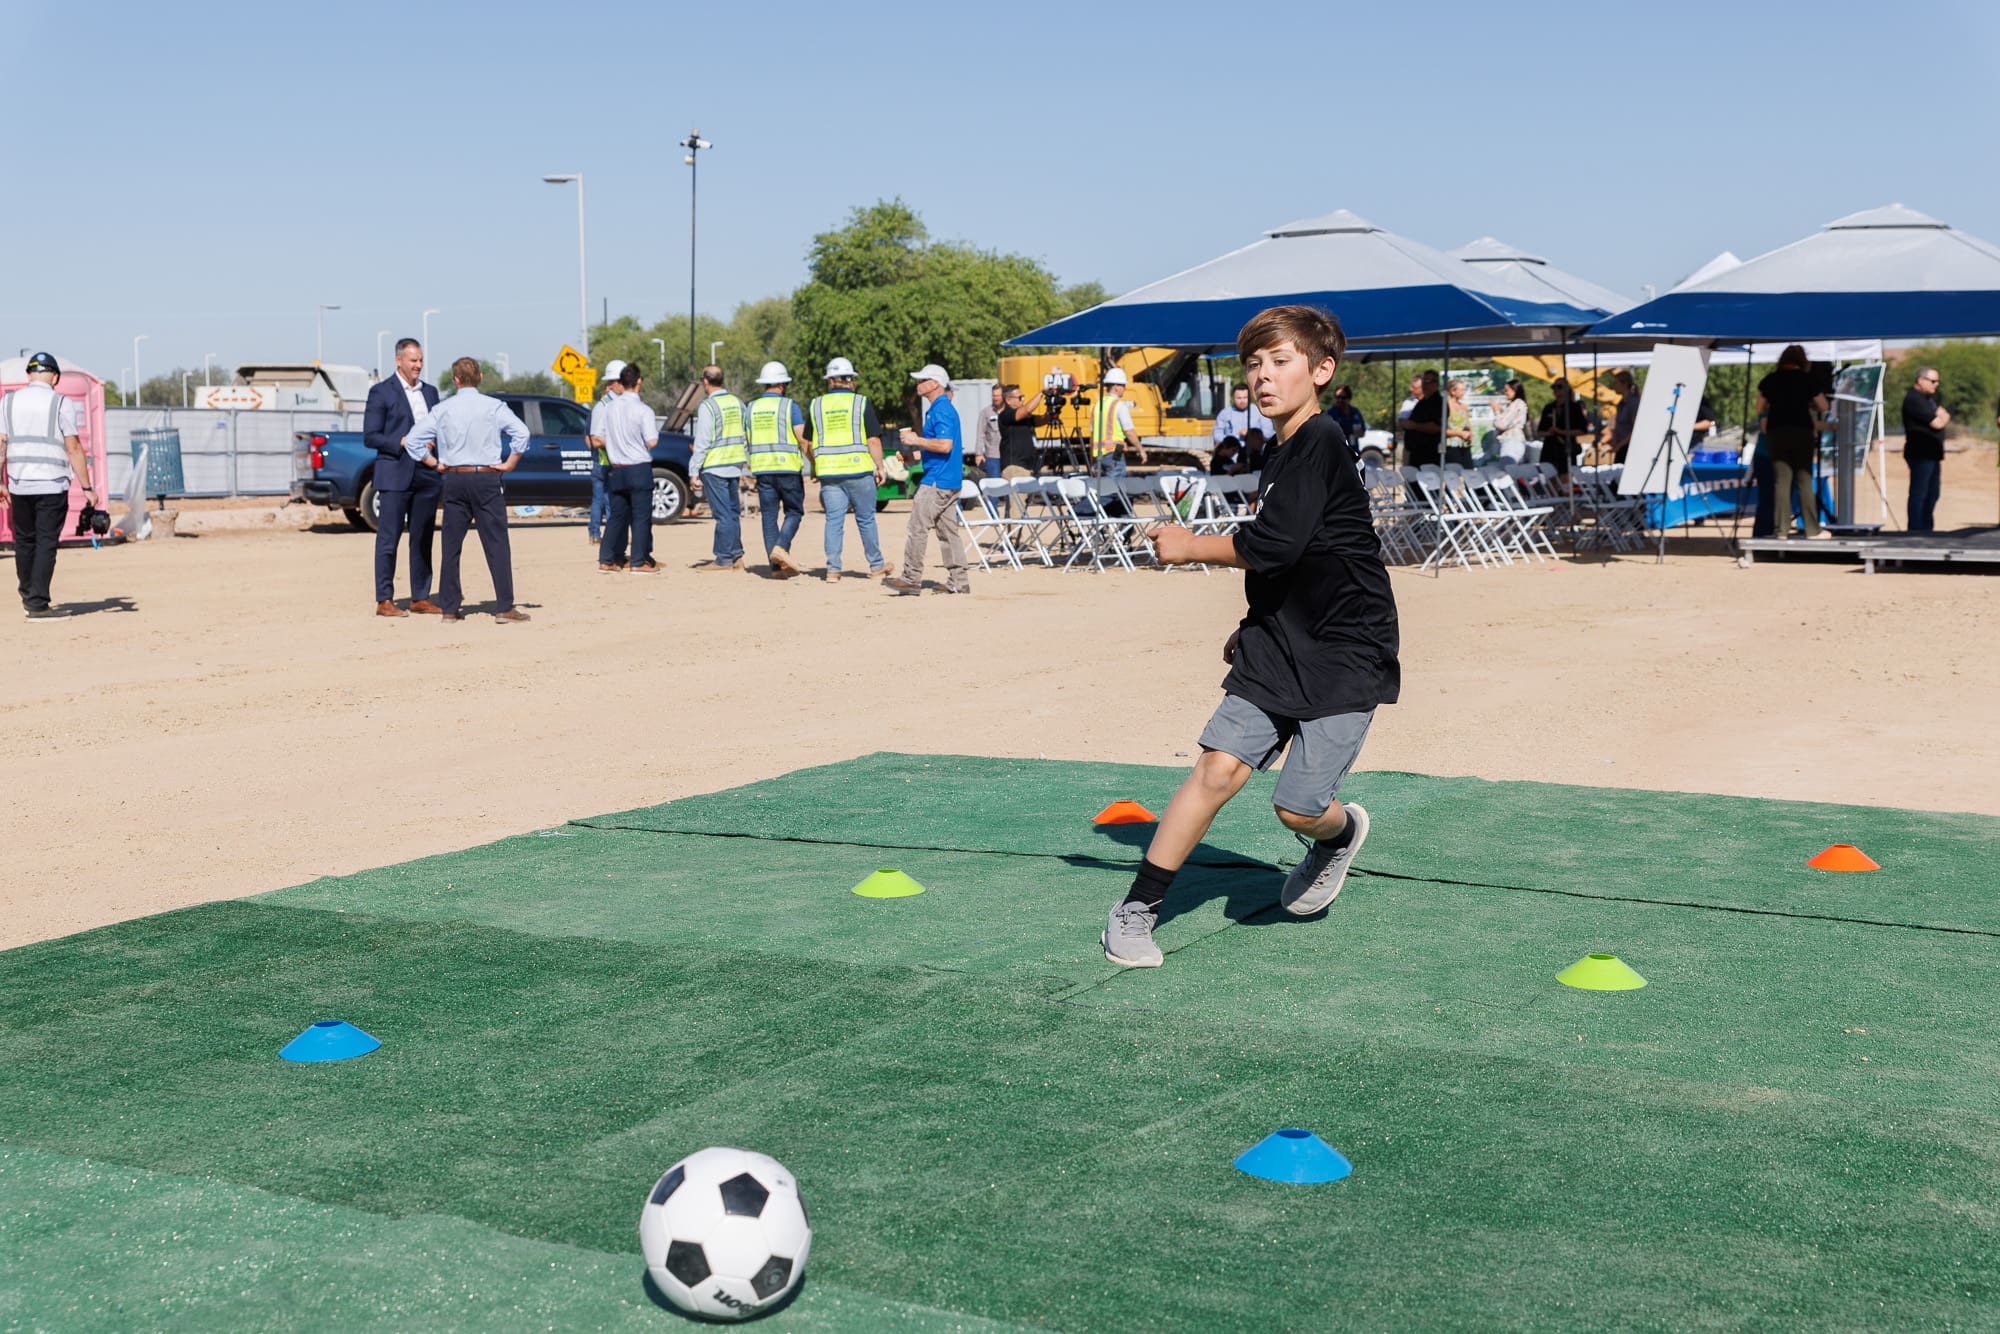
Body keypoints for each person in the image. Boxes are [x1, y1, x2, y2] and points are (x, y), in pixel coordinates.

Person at [1104, 304, 1398, 968]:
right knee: (1216, 770)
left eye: (1280, 361)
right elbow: (1299, 557)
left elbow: (1275, 543)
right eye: (1254, 364)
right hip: (1277, 640)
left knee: (1298, 807)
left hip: (1346, 649)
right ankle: (1136, 910)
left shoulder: (1320, 440)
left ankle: (1338, 834)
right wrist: (1251, 623)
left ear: (1322, 370)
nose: (1263, 377)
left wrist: (1186, 547)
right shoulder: (1282, 449)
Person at [402, 357, 531, 622]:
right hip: (487, 477)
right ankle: (504, 606)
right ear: (480, 377)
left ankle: (450, 609)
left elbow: (414, 439)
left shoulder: (443, 409)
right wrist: (509, 463)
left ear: (456, 380)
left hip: (455, 479)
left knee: (451, 545)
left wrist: (432, 462)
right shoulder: (494, 406)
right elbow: (522, 433)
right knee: (496, 543)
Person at [0, 352, 96, 620]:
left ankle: (28, 591)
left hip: (19, 483)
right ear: (55, 377)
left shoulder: (8, 402)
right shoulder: (60, 402)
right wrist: (87, 487)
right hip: (51, 483)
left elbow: (1, 443)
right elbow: (73, 446)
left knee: (24, 541)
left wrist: (0, 481)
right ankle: (38, 604)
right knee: (45, 542)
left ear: (29, 375)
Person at [361, 338, 443, 617]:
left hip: (427, 474)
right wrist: (403, 441)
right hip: (395, 473)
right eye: (413, 360)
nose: (418, 365)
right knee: (389, 538)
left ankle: (420, 597)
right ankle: (385, 599)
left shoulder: (431, 393)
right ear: (398, 361)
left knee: (422, 538)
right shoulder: (381, 392)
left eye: (420, 360)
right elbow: (371, 436)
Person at [886, 364, 970, 596]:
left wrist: (915, 440)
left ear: (935, 384)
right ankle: (959, 580)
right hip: (949, 480)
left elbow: (945, 446)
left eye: (922, 380)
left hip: (936, 481)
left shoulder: (940, 409)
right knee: (947, 532)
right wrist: (911, 456)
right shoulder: (941, 408)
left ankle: (911, 578)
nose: (918, 384)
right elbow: (937, 448)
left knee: (917, 528)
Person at [807, 356, 888, 579]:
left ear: (830, 380)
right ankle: (876, 566)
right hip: (858, 471)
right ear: (851, 379)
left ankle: (833, 569)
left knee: (834, 520)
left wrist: (815, 465)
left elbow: (808, 443)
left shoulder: (816, 404)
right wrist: (880, 466)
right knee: (866, 519)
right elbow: (873, 440)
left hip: (829, 474)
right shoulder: (860, 403)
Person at [1756, 345, 1829, 538]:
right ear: (1802, 360)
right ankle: (1812, 529)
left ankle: (1781, 530)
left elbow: (1759, 407)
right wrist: (1808, 403)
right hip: (1801, 431)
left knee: (1781, 482)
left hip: (1776, 432)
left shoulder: (1770, 380)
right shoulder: (1808, 380)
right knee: (1804, 480)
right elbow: (1824, 405)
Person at [746, 361, 810, 578]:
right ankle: (781, 548)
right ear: (782, 385)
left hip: (763, 470)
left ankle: (776, 569)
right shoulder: (789, 406)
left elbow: (748, 438)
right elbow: (802, 439)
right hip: (788, 469)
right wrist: (814, 461)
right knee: (794, 511)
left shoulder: (751, 408)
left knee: (769, 517)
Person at [597, 362, 661, 573]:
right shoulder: (643, 410)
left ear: (621, 383)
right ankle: (638, 561)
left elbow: (599, 436)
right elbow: (652, 441)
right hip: (638, 467)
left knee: (616, 516)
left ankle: (606, 559)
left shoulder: (609, 408)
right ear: (639, 381)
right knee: (641, 517)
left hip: (616, 468)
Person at [688, 364, 748, 572]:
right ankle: (736, 554)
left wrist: (694, 471)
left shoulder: (708, 406)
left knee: (723, 515)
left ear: (705, 381)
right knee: (732, 513)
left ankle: (723, 558)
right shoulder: (738, 403)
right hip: (734, 464)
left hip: (715, 466)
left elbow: (703, 441)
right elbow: (745, 434)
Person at [1901, 366, 1948, 533]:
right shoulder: (1915, 399)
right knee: (1919, 494)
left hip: (1932, 454)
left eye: (1938, 381)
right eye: (1933, 381)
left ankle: (1926, 527)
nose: (1936, 385)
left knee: (1932, 494)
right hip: (1921, 454)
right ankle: (1915, 529)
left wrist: (1941, 415)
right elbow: (1938, 422)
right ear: (1921, 380)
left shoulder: (1927, 399)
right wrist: (1944, 416)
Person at [585, 360, 627, 547]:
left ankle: (599, 533)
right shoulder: (603, 407)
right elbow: (594, 439)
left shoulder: (615, 404)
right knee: (608, 501)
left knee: (602, 500)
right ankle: (609, 536)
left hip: (611, 461)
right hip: (605, 462)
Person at [1090, 368, 1148, 476]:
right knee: (1116, 488)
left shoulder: (1097, 406)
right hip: (1114, 454)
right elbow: (1129, 432)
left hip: (1098, 455)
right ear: (1116, 387)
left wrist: (1091, 458)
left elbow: (1092, 435)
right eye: (1123, 385)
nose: (1124, 388)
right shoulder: (1119, 405)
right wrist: (1141, 450)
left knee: (1104, 488)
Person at [1537, 378, 1590, 478]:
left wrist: (1561, 432)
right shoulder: (1549, 408)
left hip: (1566, 449)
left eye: (1559, 387)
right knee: (1549, 479)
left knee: (1566, 479)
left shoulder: (1574, 408)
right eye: (1554, 387)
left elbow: (1582, 430)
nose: (1556, 390)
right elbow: (1540, 431)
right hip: (1550, 449)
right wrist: (1549, 432)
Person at [996, 383, 1049, 474]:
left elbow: (1042, 420)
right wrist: (1041, 393)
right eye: (1020, 398)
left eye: (1023, 397)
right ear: (1008, 400)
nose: (1023, 400)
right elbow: (1027, 410)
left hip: (1029, 466)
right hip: (1014, 467)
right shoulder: (1005, 415)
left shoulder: (1025, 417)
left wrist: (1053, 408)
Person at [1482, 380, 1530, 464]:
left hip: (1512, 443)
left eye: (1507, 390)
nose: (1505, 393)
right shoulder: (1514, 404)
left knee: (1507, 471)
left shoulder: (1518, 403)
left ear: (1514, 390)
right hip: (1511, 442)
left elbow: (1502, 425)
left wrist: (1496, 411)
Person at [1403, 370, 1443, 466]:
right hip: (1415, 453)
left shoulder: (1438, 403)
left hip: (1429, 455)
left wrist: (1414, 426)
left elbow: (1437, 426)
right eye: (1424, 381)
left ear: (1436, 384)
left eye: (1428, 381)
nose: (1425, 384)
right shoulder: (1422, 402)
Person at [1605, 370, 1641, 464]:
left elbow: (1635, 429)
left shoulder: (1633, 403)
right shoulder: (1621, 403)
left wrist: (1619, 445)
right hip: (1621, 447)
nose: (1613, 386)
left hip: (1629, 448)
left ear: (1624, 384)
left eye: (1616, 383)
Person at [973, 383, 1003, 480]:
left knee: (1009, 488)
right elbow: (980, 434)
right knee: (993, 488)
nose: (995, 398)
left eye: (998, 396)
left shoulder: (1009, 412)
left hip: (1007, 456)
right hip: (992, 456)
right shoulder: (986, 412)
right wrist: (979, 454)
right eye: (993, 396)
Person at [1443, 376, 1475, 465]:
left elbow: (1468, 424)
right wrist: (1460, 433)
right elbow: (1442, 429)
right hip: (1451, 445)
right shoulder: (1446, 405)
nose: (1463, 392)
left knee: (1468, 470)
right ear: (1453, 391)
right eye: (1461, 390)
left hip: (1464, 445)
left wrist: (1470, 434)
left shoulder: (1464, 406)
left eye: (1464, 390)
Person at [1394, 374, 1422, 460]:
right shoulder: (1408, 403)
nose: (1410, 389)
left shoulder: (1433, 403)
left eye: (1414, 387)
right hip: (1411, 445)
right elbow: (1402, 422)